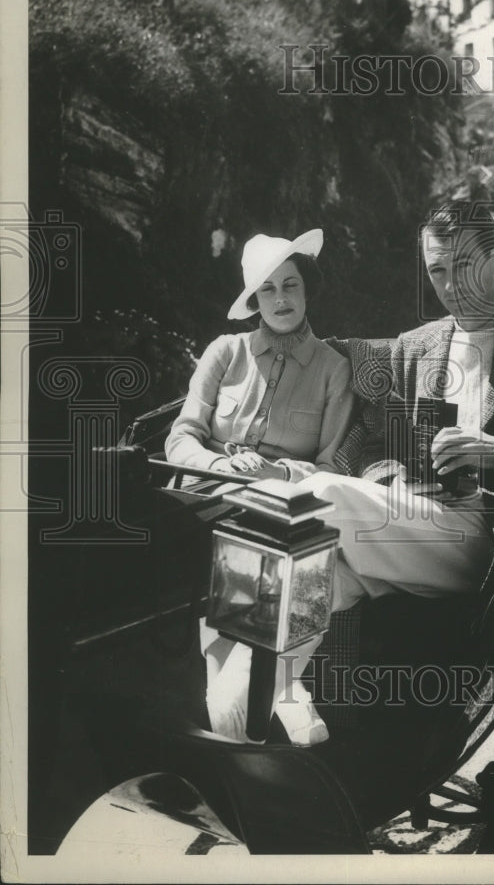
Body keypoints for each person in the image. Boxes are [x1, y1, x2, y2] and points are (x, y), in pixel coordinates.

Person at [207, 202, 494, 745]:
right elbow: (373, 438)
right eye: (438, 271)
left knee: (316, 493)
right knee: (312, 581)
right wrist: (389, 474)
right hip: (411, 524)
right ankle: (238, 744)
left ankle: (256, 718)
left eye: (464, 266)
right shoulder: (418, 347)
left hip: (492, 543)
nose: (450, 285)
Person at [166, 229, 356, 746]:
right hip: (204, 502)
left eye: (289, 285)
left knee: (285, 540)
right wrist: (221, 466)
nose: (280, 300)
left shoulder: (333, 371)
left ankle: (240, 718)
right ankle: (282, 700)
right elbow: (181, 437)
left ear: (307, 290)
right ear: (253, 300)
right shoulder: (225, 353)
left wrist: (278, 475)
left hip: (279, 515)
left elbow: (329, 470)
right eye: (267, 290)